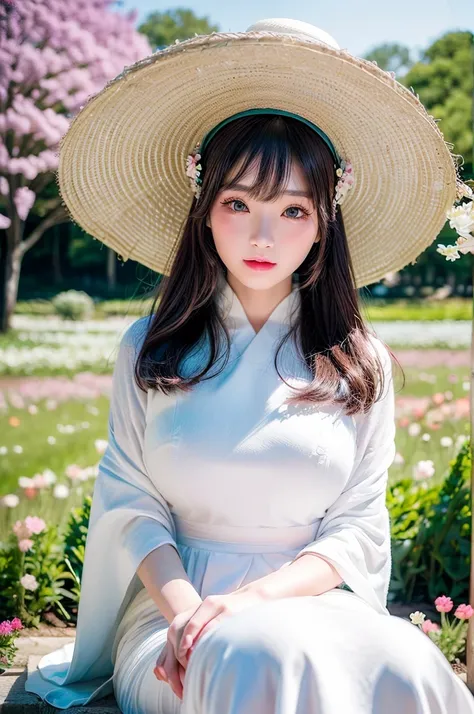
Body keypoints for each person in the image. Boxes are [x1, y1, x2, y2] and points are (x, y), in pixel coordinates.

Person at [25, 17, 474, 714]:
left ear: (326, 221)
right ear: (204, 210)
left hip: (314, 602)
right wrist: (192, 611)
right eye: (239, 203)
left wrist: (257, 597)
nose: (264, 235)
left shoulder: (362, 364)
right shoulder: (151, 347)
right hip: (174, 611)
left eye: (293, 209)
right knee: (254, 655)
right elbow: (132, 506)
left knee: (407, 660)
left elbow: (357, 527)